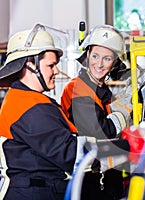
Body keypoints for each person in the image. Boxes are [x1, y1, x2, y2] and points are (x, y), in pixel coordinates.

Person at [0, 24, 93, 200]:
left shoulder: (24, 99)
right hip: (36, 193)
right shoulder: (30, 108)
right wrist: (117, 148)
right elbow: (70, 154)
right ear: (30, 66)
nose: (57, 71)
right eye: (51, 65)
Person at [60, 25, 132, 200]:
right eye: (95, 56)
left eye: (107, 58)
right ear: (87, 56)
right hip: (88, 181)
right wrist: (126, 106)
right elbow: (99, 130)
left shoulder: (100, 91)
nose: (99, 64)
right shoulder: (76, 88)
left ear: (115, 62)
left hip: (106, 179)